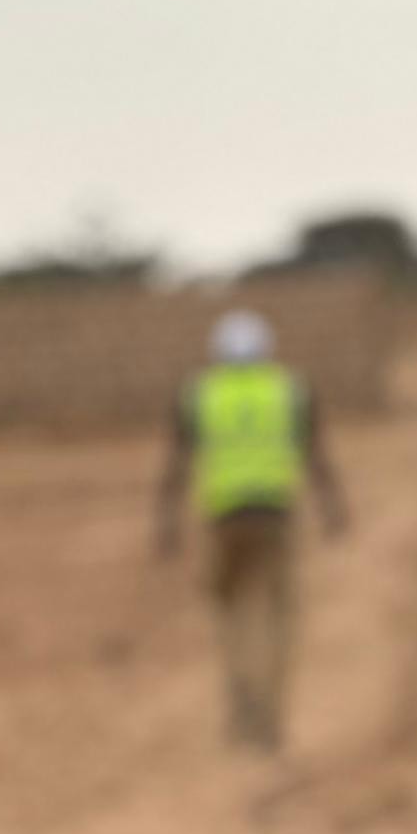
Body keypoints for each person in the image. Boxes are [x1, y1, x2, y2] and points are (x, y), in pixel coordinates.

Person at [152, 305, 350, 750]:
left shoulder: (199, 393)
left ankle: (242, 710)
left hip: (223, 518)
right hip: (275, 516)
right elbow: (316, 455)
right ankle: (270, 720)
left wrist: (166, 524)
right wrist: (333, 509)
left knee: (232, 615)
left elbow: (177, 465)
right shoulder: (291, 390)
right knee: (279, 616)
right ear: (265, 350)